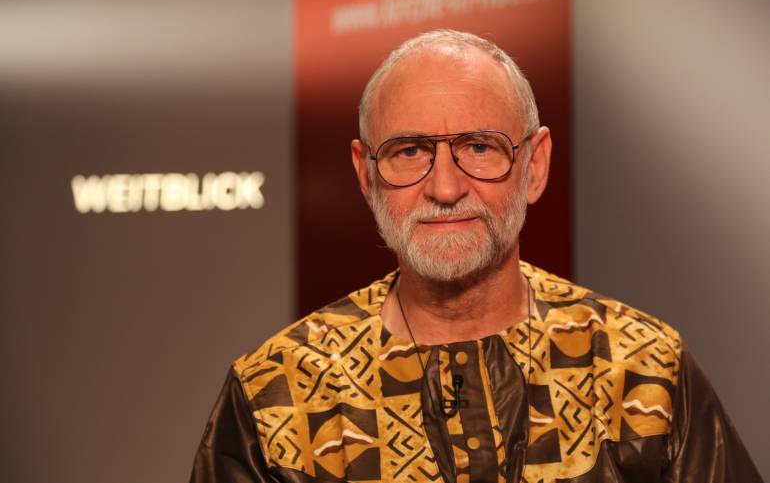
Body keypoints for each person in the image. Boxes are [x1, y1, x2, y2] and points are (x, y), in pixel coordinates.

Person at [190, 30, 762, 483]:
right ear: (366, 176)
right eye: (409, 151)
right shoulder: (279, 391)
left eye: (479, 147)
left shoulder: (641, 370)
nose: (445, 187)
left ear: (535, 165)